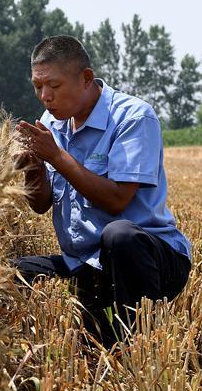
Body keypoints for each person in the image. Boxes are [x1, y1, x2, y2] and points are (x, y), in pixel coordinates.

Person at [11, 35, 192, 349]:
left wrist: (55, 156)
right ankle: (97, 339)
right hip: (86, 262)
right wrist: (32, 170)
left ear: (85, 79)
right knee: (12, 273)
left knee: (119, 235)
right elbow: (40, 205)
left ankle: (138, 346)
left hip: (149, 258)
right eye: (37, 86)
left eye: (53, 86)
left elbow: (117, 200)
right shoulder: (51, 124)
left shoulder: (133, 117)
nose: (44, 97)